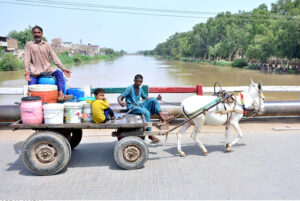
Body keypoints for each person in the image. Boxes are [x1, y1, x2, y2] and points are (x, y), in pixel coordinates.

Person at [24, 25, 72, 101]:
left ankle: (60, 94)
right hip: (34, 71)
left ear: (42, 33)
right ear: (32, 34)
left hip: (47, 69)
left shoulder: (46, 44)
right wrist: (27, 71)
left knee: (59, 73)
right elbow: (26, 58)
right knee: (32, 88)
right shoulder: (29, 44)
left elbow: (54, 57)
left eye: (38, 32)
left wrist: (64, 68)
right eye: (35, 33)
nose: (37, 34)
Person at [117, 74, 169, 143]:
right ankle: (150, 134)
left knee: (154, 100)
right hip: (132, 107)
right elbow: (120, 97)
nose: (139, 83)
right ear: (134, 81)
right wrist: (121, 102)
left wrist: (156, 98)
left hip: (139, 105)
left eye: (141, 81)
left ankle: (161, 116)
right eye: (138, 81)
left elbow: (145, 97)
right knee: (147, 112)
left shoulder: (140, 89)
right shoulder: (129, 89)